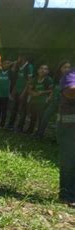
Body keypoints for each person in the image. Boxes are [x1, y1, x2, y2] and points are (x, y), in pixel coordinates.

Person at [36, 60, 71, 138]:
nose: (67, 69)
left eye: (68, 67)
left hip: (63, 104)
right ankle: (39, 134)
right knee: (45, 117)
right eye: (65, 67)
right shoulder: (57, 78)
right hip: (53, 101)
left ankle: (57, 138)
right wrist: (50, 97)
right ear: (60, 68)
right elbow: (53, 89)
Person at [57, 67, 75, 208]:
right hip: (69, 125)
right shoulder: (70, 74)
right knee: (69, 160)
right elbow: (69, 91)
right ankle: (67, 196)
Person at [7, 54, 34, 131]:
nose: (17, 59)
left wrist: (24, 93)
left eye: (19, 57)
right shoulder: (19, 66)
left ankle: (20, 126)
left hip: (24, 92)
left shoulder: (29, 67)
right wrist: (13, 91)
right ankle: (10, 124)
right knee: (14, 108)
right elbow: (15, 74)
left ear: (23, 57)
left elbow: (29, 81)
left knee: (22, 110)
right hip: (17, 90)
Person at [26, 64, 53, 134]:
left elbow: (52, 90)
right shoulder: (35, 79)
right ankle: (30, 130)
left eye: (45, 69)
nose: (43, 70)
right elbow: (29, 89)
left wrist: (42, 92)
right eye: (41, 68)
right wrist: (33, 93)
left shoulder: (48, 80)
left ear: (48, 71)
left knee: (41, 118)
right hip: (34, 101)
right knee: (33, 117)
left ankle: (39, 132)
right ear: (38, 70)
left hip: (43, 103)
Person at [0, 59, 13, 127]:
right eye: (5, 64)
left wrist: (10, 63)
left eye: (8, 64)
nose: (6, 65)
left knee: (4, 110)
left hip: (5, 94)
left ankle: (2, 124)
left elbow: (15, 64)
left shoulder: (10, 72)